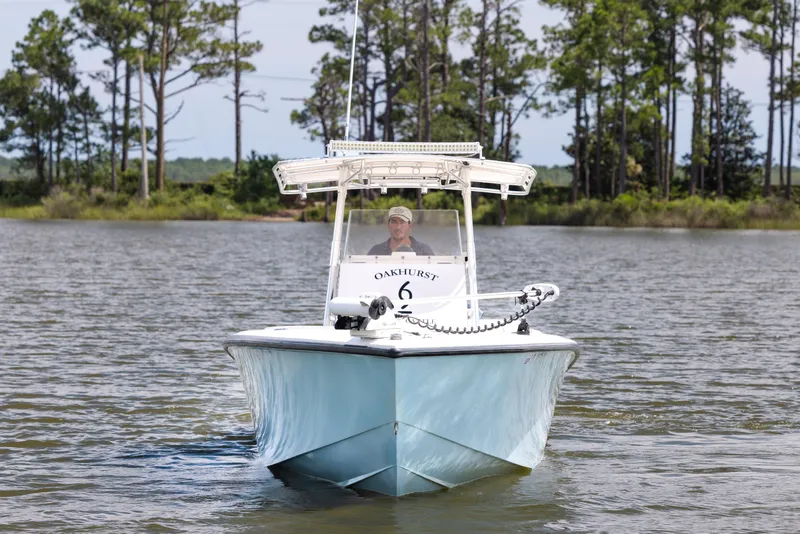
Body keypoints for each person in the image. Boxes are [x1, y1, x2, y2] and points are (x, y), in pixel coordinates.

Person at [367, 206, 435, 255]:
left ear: (410, 225)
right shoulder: (375, 251)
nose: (398, 227)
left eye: (402, 222)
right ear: (388, 225)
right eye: (394, 222)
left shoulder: (425, 252)